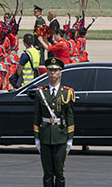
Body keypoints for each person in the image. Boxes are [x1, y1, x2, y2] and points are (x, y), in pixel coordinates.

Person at [34, 57, 75, 187]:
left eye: (56, 70)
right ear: (47, 72)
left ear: (60, 73)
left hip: (60, 135)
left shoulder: (67, 92)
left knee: (59, 172)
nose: (53, 73)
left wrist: (69, 139)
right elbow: (37, 116)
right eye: (50, 70)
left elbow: (70, 117)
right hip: (45, 135)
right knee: (47, 173)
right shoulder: (40, 92)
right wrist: (37, 138)